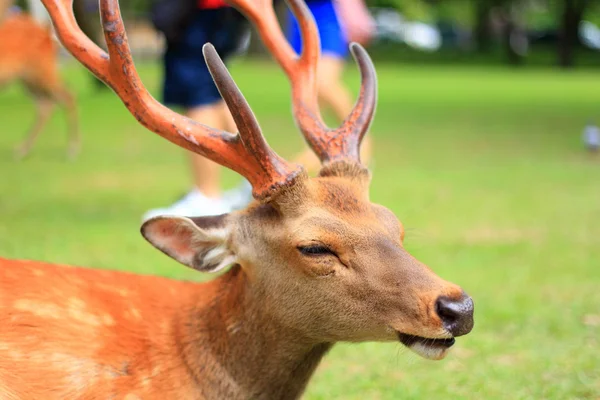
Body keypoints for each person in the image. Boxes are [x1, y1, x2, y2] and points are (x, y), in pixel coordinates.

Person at [143, 0, 252, 221]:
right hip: (213, 13)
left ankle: (207, 195)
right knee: (213, 92)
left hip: (196, 13)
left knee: (198, 98)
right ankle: (255, 178)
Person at [287, 0, 376, 171]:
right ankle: (315, 150)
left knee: (324, 83)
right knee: (308, 91)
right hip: (297, 15)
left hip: (327, 15)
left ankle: (360, 140)